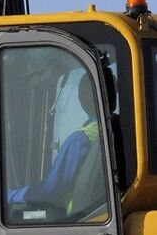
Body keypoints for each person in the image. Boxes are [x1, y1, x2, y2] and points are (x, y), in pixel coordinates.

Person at [7, 73, 102, 215]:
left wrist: (6, 196)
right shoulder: (111, 132)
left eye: (82, 93)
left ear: (82, 99)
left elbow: (50, 190)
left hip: (73, 218)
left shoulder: (81, 139)